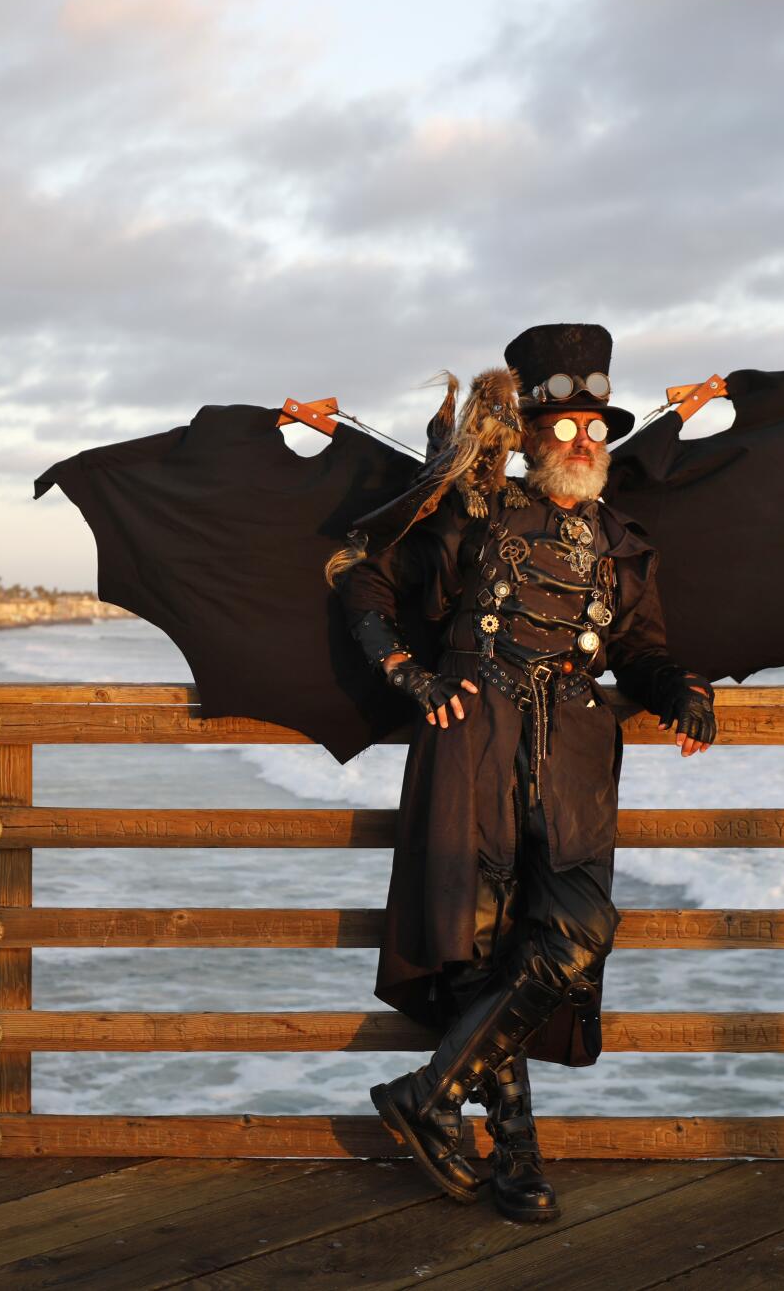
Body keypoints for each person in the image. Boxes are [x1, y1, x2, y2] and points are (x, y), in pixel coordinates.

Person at [334, 323, 716, 1222]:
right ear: (534, 432)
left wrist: (679, 686)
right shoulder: (472, 511)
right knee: (480, 949)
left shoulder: (623, 541)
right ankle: (515, 1158)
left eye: (596, 427)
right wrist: (407, 675)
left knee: (577, 930)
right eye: (565, 426)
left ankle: (429, 1094)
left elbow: (641, 649)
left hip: (574, 755)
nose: (583, 441)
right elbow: (359, 571)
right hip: (472, 740)